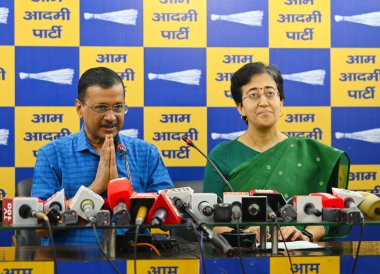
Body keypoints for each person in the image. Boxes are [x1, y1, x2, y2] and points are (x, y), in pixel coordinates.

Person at [204, 62, 350, 242]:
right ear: (240, 107)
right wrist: (247, 235)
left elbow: (332, 215)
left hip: (300, 255)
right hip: (241, 257)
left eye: (270, 93)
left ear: (281, 102)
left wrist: (305, 235)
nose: (263, 102)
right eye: (254, 95)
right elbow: (210, 220)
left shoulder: (311, 154)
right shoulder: (222, 155)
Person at [32, 67, 173, 245]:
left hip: (132, 258)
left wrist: (123, 195)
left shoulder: (146, 153)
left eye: (118, 107)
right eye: (101, 107)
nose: (111, 117)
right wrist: (95, 189)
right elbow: (40, 227)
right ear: (79, 108)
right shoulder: (52, 154)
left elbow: (169, 216)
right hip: (71, 260)